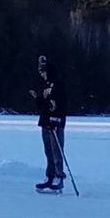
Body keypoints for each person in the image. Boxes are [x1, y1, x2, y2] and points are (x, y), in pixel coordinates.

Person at [29, 55, 67, 191]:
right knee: (48, 152)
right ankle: (49, 177)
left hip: (55, 124)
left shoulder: (58, 85)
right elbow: (44, 106)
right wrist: (38, 99)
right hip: (45, 123)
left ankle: (59, 177)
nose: (41, 74)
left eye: (43, 71)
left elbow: (60, 105)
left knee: (57, 152)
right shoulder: (46, 85)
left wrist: (55, 118)